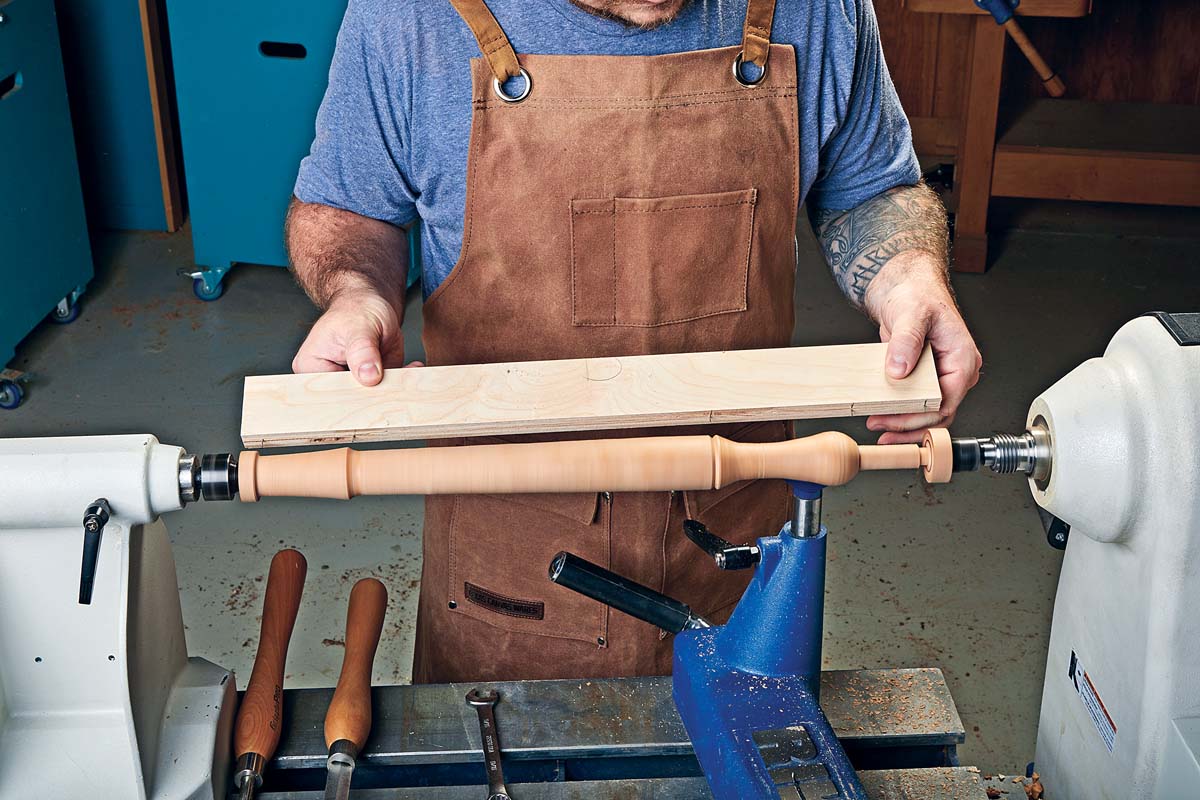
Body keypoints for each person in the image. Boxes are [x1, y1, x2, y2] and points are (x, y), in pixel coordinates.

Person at [286, 0, 982, 683]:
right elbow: (348, 205)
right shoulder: (407, 17)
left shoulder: (821, 8)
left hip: (730, 547)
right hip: (510, 565)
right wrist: (356, 292)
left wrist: (908, 277)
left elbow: (871, 188)